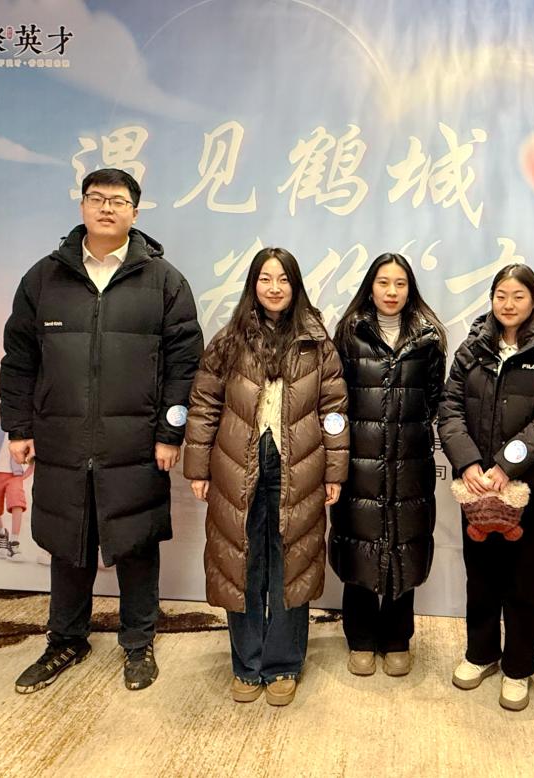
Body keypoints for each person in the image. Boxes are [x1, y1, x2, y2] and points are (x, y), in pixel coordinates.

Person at [0, 169, 202, 694]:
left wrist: (170, 433)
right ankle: (66, 639)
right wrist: (18, 426)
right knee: (68, 544)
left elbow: (184, 366)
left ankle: (138, 642)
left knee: (136, 542)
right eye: (96, 198)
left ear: (135, 211)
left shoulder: (164, 282)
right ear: (83, 206)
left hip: (135, 442)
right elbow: (18, 360)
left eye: (117, 200)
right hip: (62, 440)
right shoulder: (44, 279)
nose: (106, 208)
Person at [184, 247, 348, 706]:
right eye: (265, 279)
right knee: (242, 565)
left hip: (300, 468)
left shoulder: (317, 343)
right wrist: (198, 467)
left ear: (296, 286)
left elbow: (334, 410)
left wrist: (334, 471)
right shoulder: (229, 340)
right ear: (253, 285)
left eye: (283, 280)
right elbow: (204, 404)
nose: (274, 288)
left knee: (291, 565)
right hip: (237, 466)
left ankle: (283, 664)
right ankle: (246, 663)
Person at [438, 263, 534, 711]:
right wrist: (469, 463)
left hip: (530, 488)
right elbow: (450, 407)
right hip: (477, 487)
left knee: (524, 582)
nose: (509, 304)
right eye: (501, 295)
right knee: (480, 577)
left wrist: (507, 464)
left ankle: (518, 667)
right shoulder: (473, 347)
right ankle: (481, 654)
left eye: (518, 296)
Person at [330, 253, 447, 678]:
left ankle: (398, 638)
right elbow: (335, 399)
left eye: (400, 284)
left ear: (410, 289)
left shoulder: (428, 338)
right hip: (358, 463)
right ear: (370, 287)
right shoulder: (349, 334)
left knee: (404, 547)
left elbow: (433, 400)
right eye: (383, 283)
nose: (392, 292)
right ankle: (360, 638)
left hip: (409, 464)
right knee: (359, 545)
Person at [0, 423, 33, 560]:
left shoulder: (25, 432)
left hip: (14, 476)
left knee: (17, 503)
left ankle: (14, 543)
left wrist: (26, 474)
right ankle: (2, 534)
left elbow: (33, 456)